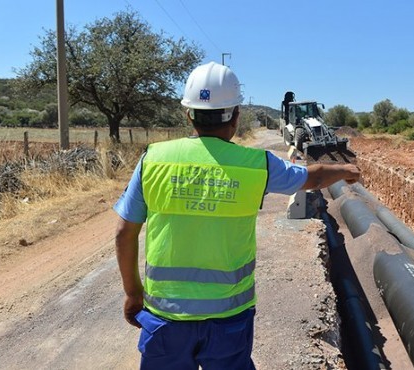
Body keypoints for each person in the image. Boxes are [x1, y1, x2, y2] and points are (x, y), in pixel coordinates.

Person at [113, 61, 360, 370]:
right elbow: (313, 177)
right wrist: (348, 170)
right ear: (236, 116)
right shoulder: (256, 165)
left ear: (188, 113)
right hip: (229, 318)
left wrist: (133, 293)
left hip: (165, 317)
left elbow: (124, 232)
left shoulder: (154, 159)